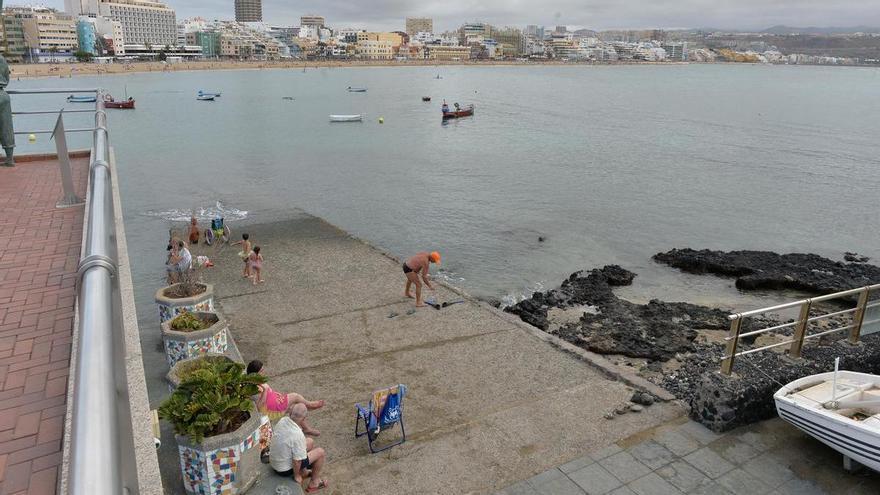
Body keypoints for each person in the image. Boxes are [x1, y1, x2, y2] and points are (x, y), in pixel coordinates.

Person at [246, 360, 325, 435]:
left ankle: (306, 428)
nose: (264, 372)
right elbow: (259, 408)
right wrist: (265, 391)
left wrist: (275, 394)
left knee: (296, 407)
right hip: (271, 411)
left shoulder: (257, 381)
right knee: (295, 397)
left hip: (276, 403)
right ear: (255, 373)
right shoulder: (254, 388)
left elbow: (268, 393)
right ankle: (310, 405)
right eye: (261, 371)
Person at [270, 404, 328, 493]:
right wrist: (297, 476)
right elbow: (296, 461)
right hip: (284, 470)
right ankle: (314, 482)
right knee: (320, 452)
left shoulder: (283, 420)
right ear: (304, 419)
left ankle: (304, 472)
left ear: (290, 414)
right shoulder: (297, 435)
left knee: (310, 441)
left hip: (275, 462)